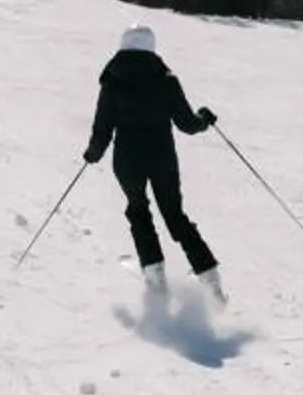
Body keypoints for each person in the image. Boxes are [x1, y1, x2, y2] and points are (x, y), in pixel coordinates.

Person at [84, 25, 225, 307]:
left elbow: (103, 127)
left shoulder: (112, 81)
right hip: (162, 158)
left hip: (127, 159)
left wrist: (93, 153)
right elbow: (186, 124)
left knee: (138, 212)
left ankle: (156, 279)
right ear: (151, 48)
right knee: (175, 215)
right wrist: (204, 119)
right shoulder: (166, 80)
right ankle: (211, 282)